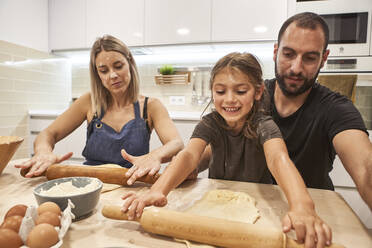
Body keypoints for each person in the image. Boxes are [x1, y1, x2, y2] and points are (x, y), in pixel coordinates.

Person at [121, 52, 332, 248]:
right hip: (216, 204)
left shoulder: (264, 125)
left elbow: (278, 158)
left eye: (240, 91)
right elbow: (189, 155)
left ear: (258, 92)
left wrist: (302, 206)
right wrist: (158, 190)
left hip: (257, 206)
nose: (229, 99)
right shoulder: (210, 123)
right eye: (220, 91)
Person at [15, 35, 184, 185]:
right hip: (89, 185)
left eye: (118, 66)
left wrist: (155, 156)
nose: (112, 75)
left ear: (130, 63)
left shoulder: (151, 106)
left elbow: (176, 143)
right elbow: (47, 134)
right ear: (97, 74)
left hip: (132, 185)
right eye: (104, 70)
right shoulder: (89, 102)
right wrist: (44, 152)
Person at [264, 12, 372, 211]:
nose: (296, 68)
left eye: (310, 58)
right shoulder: (251, 98)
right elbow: (210, 147)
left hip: (316, 213)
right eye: (288, 54)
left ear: (324, 59)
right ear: (275, 52)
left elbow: (365, 167)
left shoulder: (335, 108)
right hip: (260, 209)